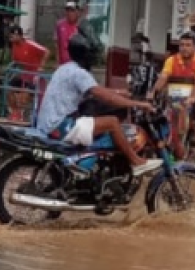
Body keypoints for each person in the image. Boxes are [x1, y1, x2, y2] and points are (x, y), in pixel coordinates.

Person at [36, 34, 162, 177]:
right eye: (91, 54)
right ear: (85, 55)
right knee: (113, 123)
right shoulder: (79, 73)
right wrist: (139, 104)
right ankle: (136, 162)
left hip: (50, 124)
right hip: (61, 125)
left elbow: (96, 90)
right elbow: (108, 98)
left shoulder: (65, 68)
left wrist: (120, 92)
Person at [152, 31, 195, 152]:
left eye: (188, 45)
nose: (184, 48)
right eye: (182, 45)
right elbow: (163, 76)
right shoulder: (171, 60)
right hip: (175, 95)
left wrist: (193, 96)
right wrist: (153, 91)